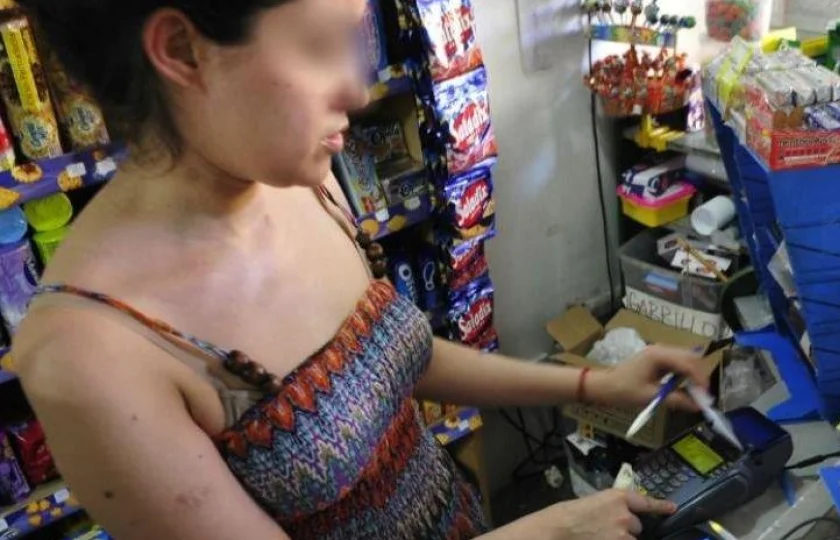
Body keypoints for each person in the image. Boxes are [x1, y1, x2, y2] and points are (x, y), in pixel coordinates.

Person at [10, 1, 712, 539]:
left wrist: (596, 384)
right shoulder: (91, 354)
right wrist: (548, 531)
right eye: (319, 48)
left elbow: (390, 357)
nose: (356, 88)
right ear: (181, 51)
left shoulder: (300, 176)